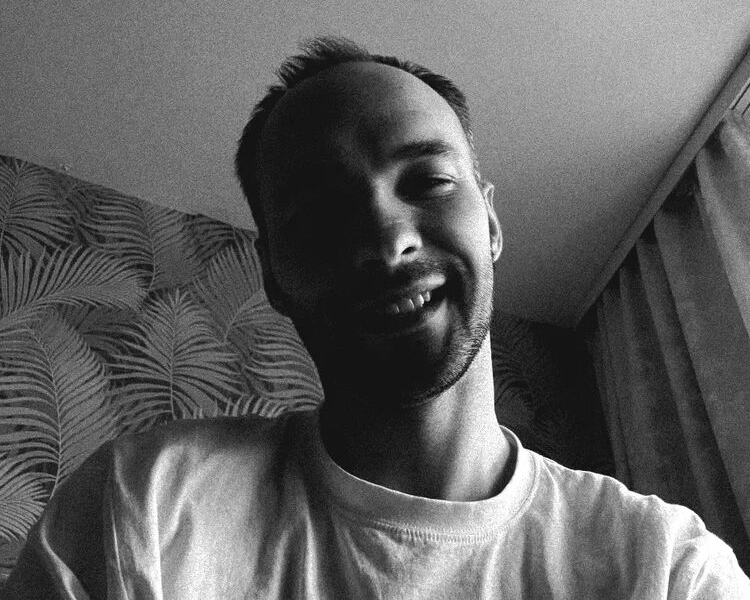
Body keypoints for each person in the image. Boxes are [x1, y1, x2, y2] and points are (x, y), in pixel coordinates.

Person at [5, 37, 750, 599]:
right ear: (273, 274)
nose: (387, 241)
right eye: (320, 213)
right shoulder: (140, 508)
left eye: (427, 181)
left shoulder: (667, 568)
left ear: (490, 223)